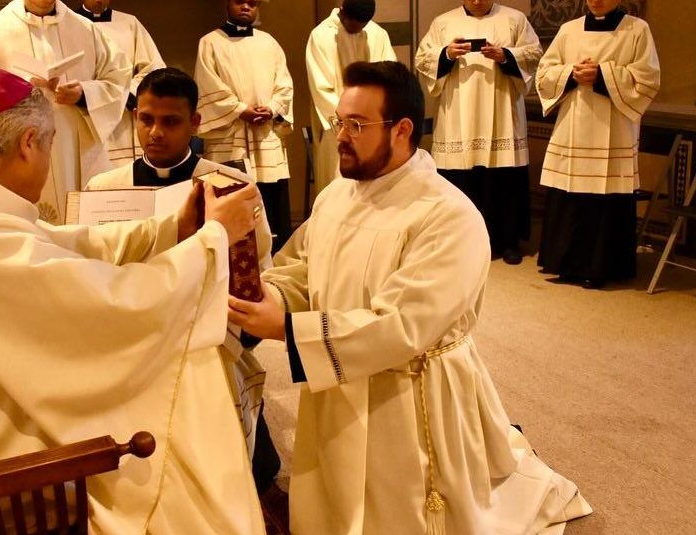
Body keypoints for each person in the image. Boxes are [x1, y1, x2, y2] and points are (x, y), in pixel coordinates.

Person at [0, 66, 265, 535]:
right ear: (29, 143)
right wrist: (214, 239)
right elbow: (112, 307)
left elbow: (65, 248)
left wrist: (174, 230)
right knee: (187, 393)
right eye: (49, 146)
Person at [229, 61, 592, 533]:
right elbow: (302, 266)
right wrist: (271, 296)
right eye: (341, 121)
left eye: (356, 125)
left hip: (412, 393)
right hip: (337, 380)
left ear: (402, 130)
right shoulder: (337, 196)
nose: (341, 135)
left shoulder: (448, 215)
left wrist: (286, 328)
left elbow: (404, 324)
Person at [86, 67, 282, 493]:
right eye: (146, 119)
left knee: (241, 468)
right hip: (131, 336)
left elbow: (257, 268)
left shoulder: (232, 186)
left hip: (206, 336)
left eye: (171, 121)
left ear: (194, 123)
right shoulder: (104, 188)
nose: (155, 132)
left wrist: (240, 332)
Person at [0, 0, 131, 224]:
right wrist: (22, 91)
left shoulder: (85, 29)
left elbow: (118, 78)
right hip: (20, 151)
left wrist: (84, 94)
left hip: (77, 147)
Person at [536, 0, 661, 288]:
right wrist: (570, 74)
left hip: (612, 129)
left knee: (603, 202)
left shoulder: (637, 31)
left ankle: (600, 268)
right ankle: (565, 265)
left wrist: (603, 75)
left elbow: (647, 79)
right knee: (570, 198)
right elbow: (545, 73)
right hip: (573, 126)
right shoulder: (569, 30)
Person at [415, 0, 542, 264]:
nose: (476, 1)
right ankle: (460, 243)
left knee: (504, 182)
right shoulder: (444, 23)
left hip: (501, 113)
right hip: (459, 114)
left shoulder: (514, 20)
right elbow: (423, 58)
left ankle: (507, 241)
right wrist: (447, 54)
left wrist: (506, 56)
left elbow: (534, 54)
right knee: (461, 182)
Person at [195, 0, 294, 250]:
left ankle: (274, 258)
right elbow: (208, 86)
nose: (245, 7)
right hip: (231, 139)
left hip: (265, 139)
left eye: (252, 3)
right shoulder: (210, 43)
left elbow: (284, 85)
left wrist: (272, 108)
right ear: (228, 4)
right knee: (232, 201)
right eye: (240, 1)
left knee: (271, 203)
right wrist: (240, 110)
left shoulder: (269, 43)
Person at [73, 0, 165, 166]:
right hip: (87, 115)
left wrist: (128, 93)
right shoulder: (69, 25)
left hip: (125, 117)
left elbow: (154, 68)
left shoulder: (129, 23)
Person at [306, 0, 395, 192]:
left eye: (362, 26)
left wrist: (373, 117)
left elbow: (388, 77)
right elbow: (322, 88)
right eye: (353, 26)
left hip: (372, 124)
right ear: (342, 13)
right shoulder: (321, 36)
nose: (358, 30)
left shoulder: (377, 33)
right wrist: (351, 122)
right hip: (338, 128)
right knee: (340, 187)